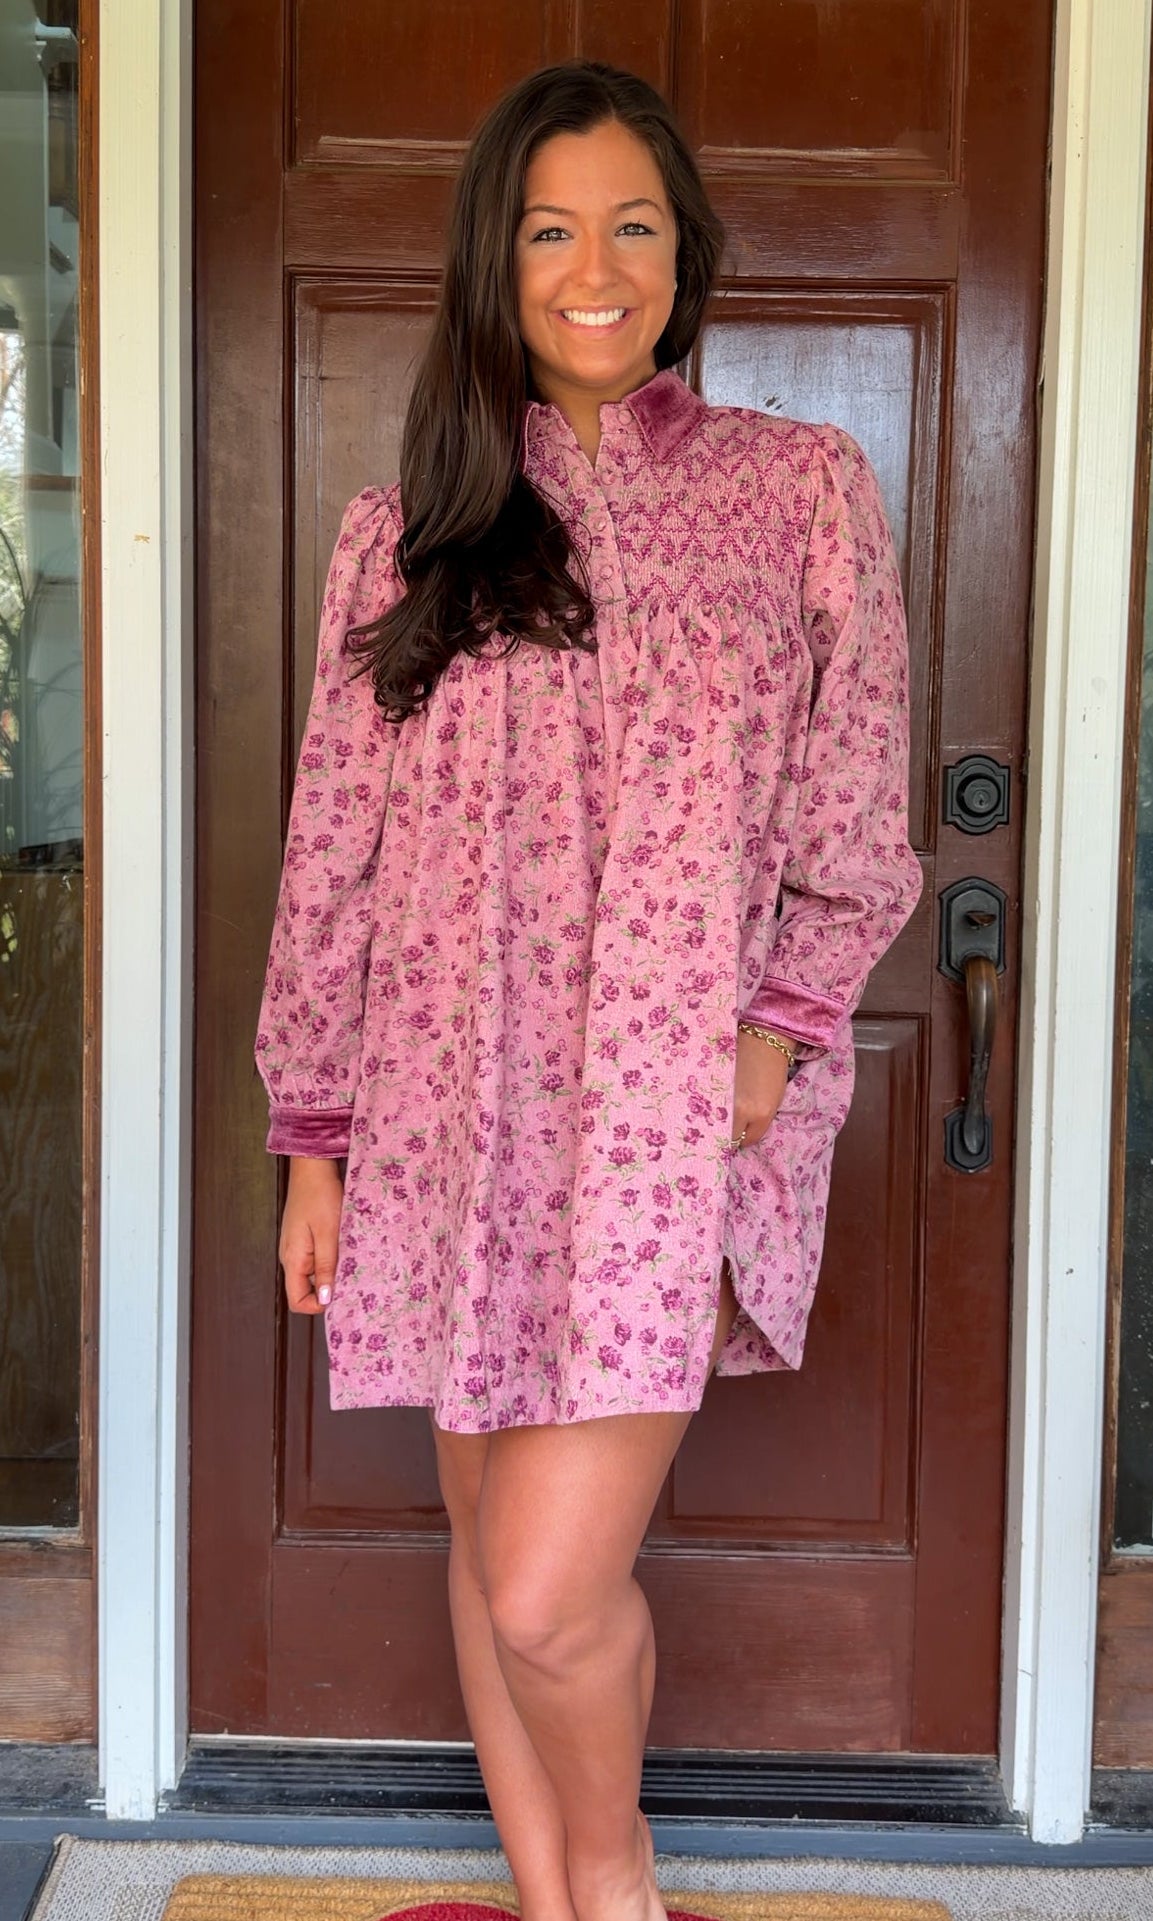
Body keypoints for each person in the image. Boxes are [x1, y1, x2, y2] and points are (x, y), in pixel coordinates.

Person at [255, 58, 922, 1921]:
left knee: (552, 1583)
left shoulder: (803, 493)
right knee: (482, 1551)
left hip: (657, 1123)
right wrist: (312, 1133)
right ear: (498, 262)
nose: (595, 265)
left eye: (633, 222)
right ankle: (556, 1906)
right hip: (440, 1110)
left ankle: (614, 1889)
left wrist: (779, 1038)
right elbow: (334, 853)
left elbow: (856, 810)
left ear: (683, 255)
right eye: (552, 228)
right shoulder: (406, 534)